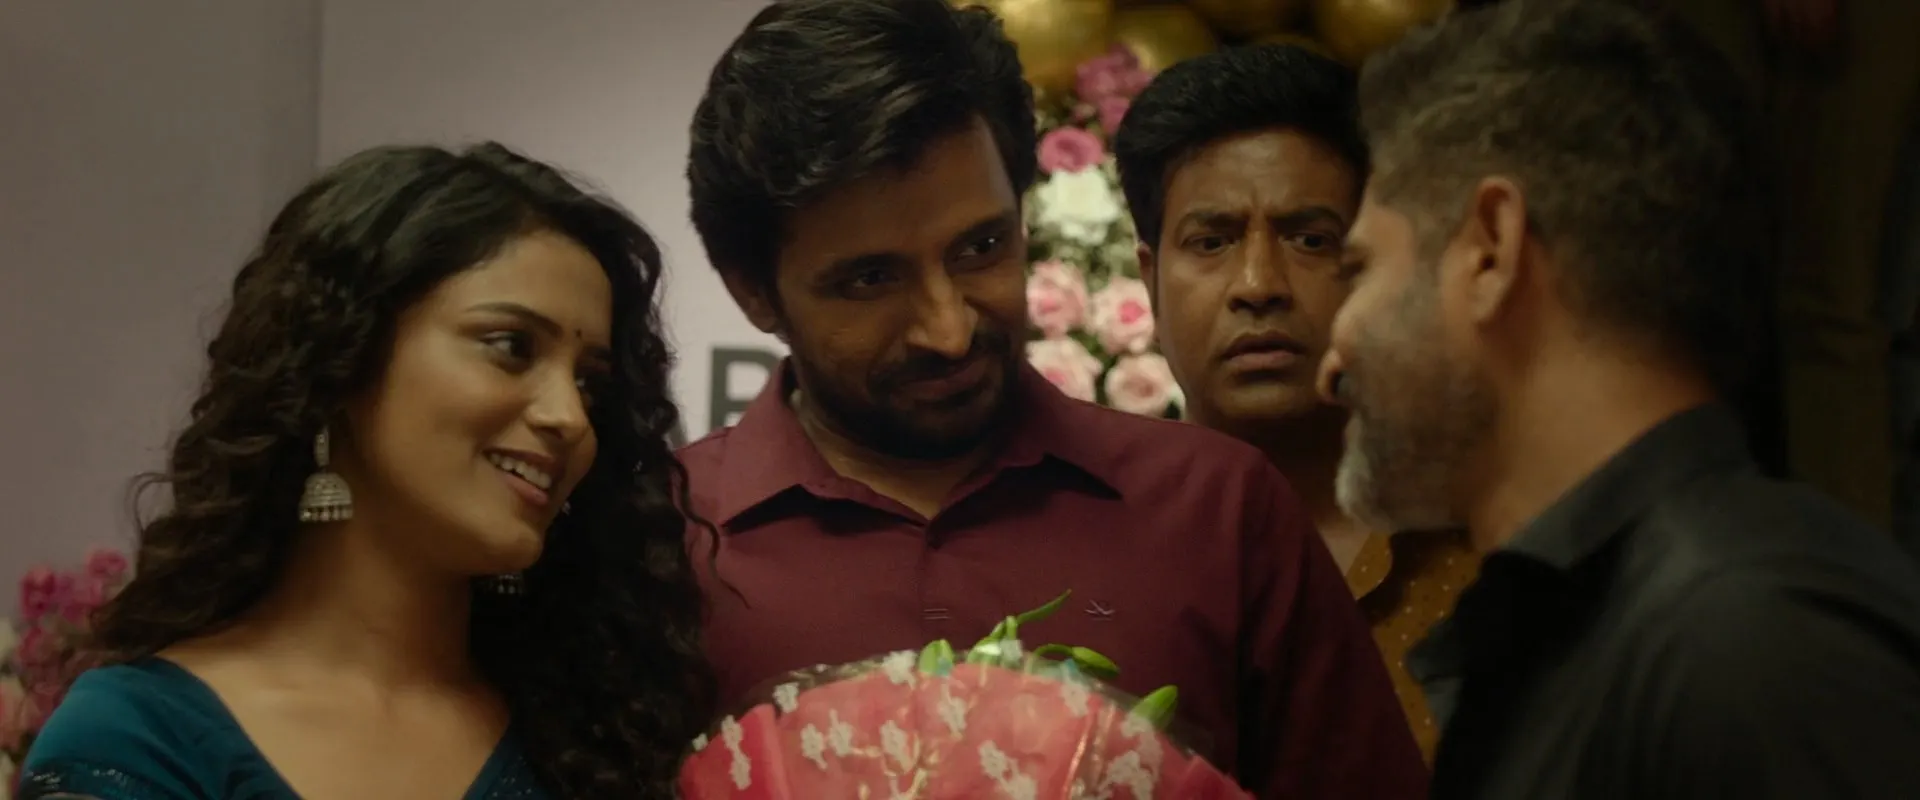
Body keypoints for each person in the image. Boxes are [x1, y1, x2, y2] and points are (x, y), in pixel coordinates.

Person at [679, 0, 1426, 796]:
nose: (949, 329)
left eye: (981, 248)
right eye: (871, 279)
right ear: (753, 291)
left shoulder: (1219, 509)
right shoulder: (660, 539)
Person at [1320, 0, 1920, 797]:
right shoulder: (1565, 635)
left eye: (1359, 270)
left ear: (1491, 252)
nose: (1331, 362)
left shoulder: (1750, 644)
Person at [20, 144, 713, 799]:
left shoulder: (594, 737)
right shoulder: (144, 738)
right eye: (511, 346)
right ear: (344, 360)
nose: (569, 416)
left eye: (590, 384)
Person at [1113, 43, 1477, 763]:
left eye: (1311, 239)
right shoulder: (1089, 553)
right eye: (1211, 242)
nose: (1258, 284)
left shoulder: (1488, 547)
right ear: (1150, 281)